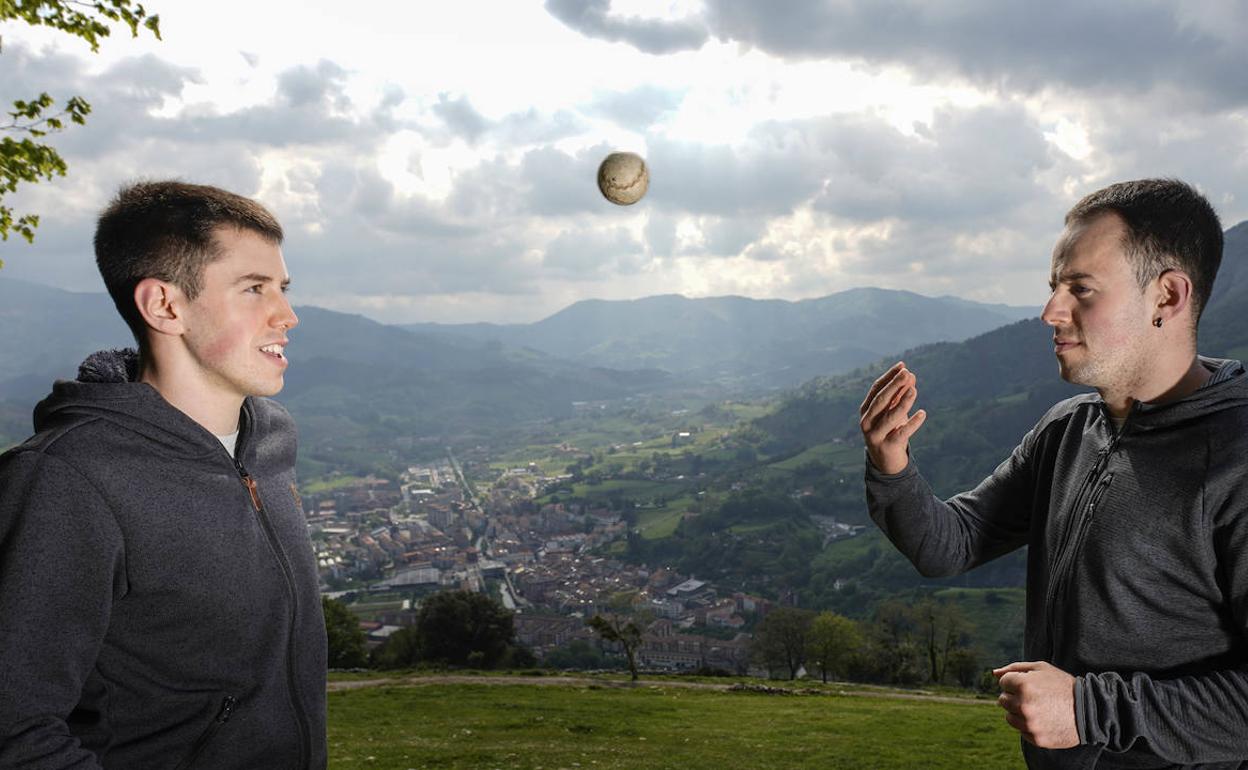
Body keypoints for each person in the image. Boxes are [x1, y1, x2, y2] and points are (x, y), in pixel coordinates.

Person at [859, 178, 1248, 769]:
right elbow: (950, 545)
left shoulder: (1237, 457)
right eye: (1052, 288)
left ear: (1167, 296)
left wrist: (1089, 710)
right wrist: (892, 466)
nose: (1050, 312)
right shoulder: (1068, 429)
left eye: (1080, 289)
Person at [0, 181, 328, 768]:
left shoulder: (272, 439)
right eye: (255, 289)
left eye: (282, 288)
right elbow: (15, 733)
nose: (288, 315)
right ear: (165, 306)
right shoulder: (65, 479)